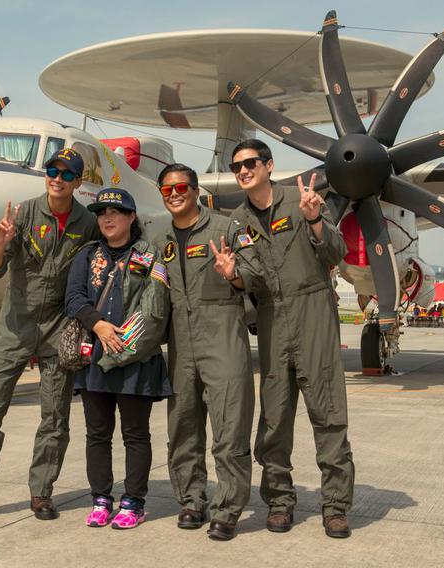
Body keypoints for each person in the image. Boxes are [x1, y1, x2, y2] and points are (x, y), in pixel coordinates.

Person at [0, 148, 98, 525]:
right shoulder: (24, 214)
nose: (57, 179)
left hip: (58, 329)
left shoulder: (87, 225)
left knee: (55, 418)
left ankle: (42, 494)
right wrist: (0, 241)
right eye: (52, 171)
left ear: (78, 182)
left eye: (66, 174)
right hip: (14, 327)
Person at [228, 139, 355, 539]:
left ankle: (335, 507)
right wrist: (232, 276)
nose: (244, 171)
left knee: (329, 413)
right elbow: (250, 277)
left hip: (312, 309)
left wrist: (316, 220)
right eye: (237, 167)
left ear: (268, 165)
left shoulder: (303, 201)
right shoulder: (237, 221)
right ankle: (280, 502)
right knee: (275, 418)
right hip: (270, 318)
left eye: (251, 163)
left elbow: (337, 251)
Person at [154, 163, 261, 541]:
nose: (175, 194)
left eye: (181, 187)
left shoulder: (227, 228)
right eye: (167, 190)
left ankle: (227, 509)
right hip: (180, 344)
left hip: (222, 338)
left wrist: (233, 274)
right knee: (182, 426)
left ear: (196, 190)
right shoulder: (157, 236)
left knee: (229, 427)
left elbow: (258, 272)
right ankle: (191, 500)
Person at [64, 187, 172, 530]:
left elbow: (155, 311)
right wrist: (98, 326)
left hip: (135, 361)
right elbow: (73, 298)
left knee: (135, 434)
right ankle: (100, 498)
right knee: (97, 434)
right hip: (96, 358)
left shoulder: (149, 256)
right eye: (101, 213)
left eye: (115, 212)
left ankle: (133, 501)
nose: (107, 218)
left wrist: (122, 344)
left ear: (131, 217)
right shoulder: (87, 256)